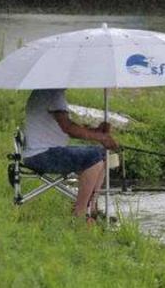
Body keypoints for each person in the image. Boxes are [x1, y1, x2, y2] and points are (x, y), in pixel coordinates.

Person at [22, 89, 119, 222]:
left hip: (42, 152)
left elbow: (66, 125)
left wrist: (96, 132)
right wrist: (101, 137)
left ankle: (92, 209)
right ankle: (80, 214)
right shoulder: (53, 93)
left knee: (101, 154)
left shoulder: (44, 91)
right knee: (94, 156)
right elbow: (68, 127)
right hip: (42, 155)